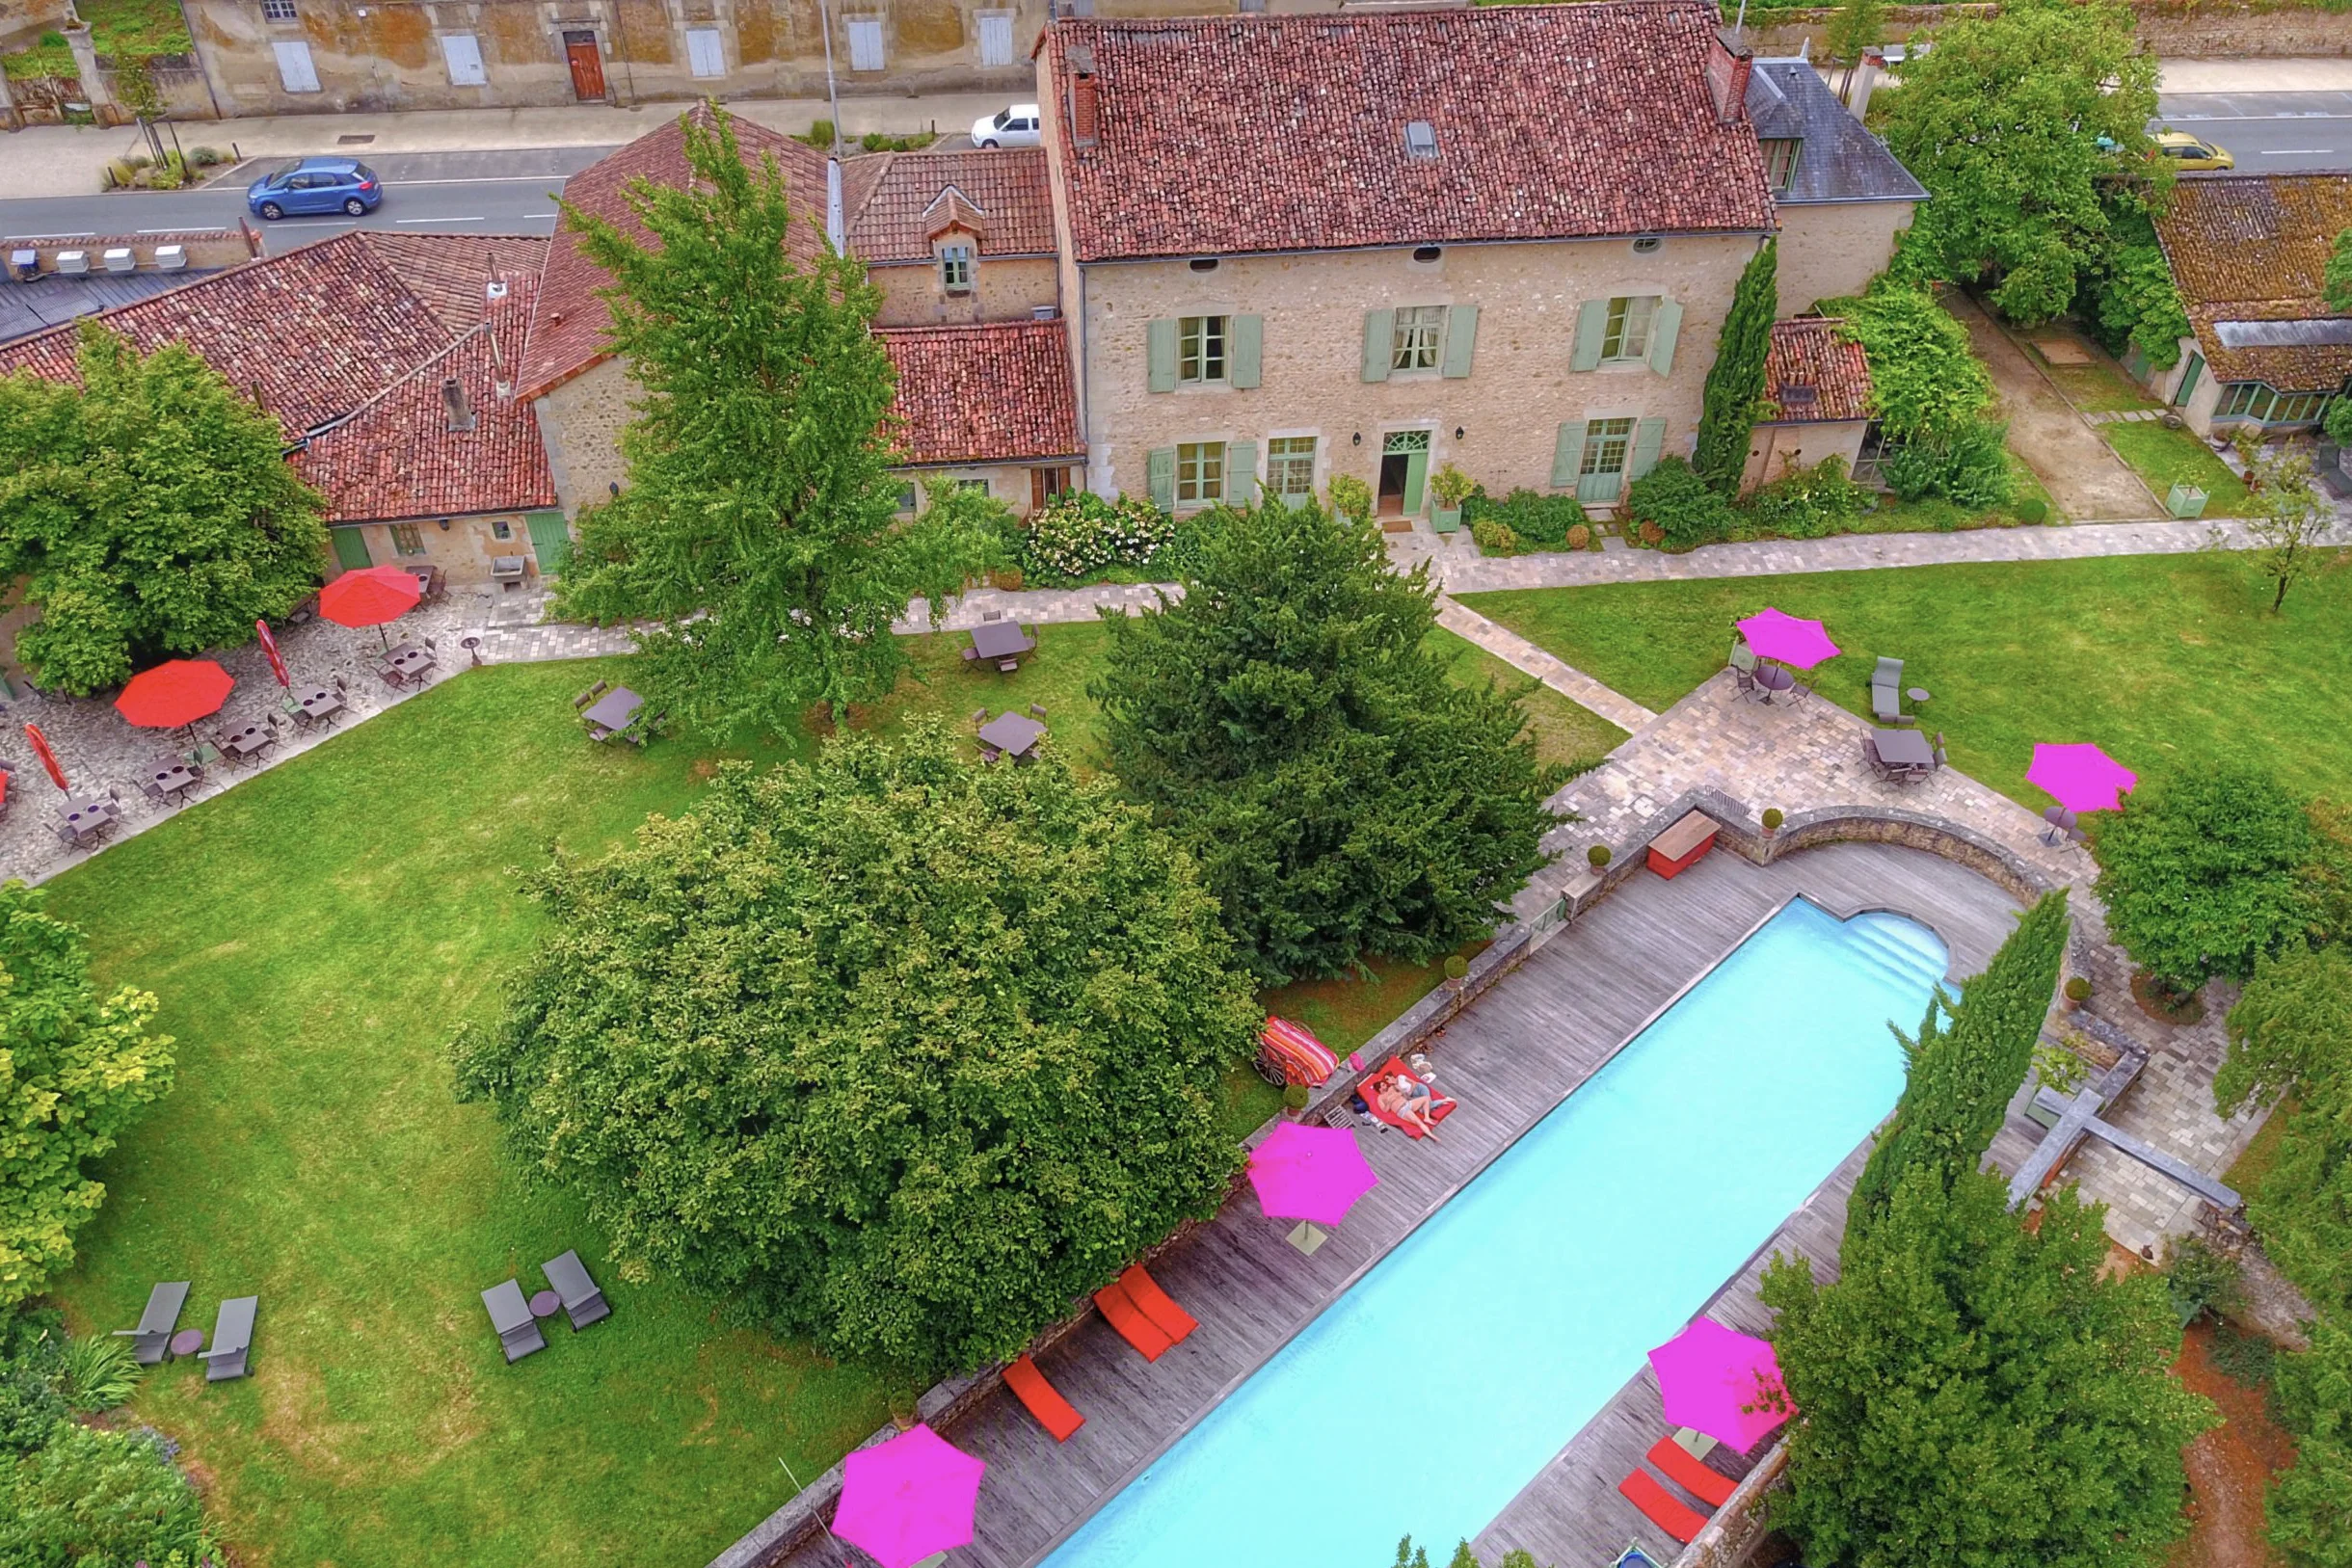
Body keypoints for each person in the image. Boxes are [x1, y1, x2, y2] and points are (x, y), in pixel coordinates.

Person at [1376, 1074, 1443, 1141]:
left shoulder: (1392, 1087)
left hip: (1408, 1103)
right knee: (1418, 1122)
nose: (1386, 1085)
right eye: (1383, 1085)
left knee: (1426, 1098)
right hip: (1402, 1109)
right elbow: (1384, 1110)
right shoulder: (1380, 1098)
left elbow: (1404, 1094)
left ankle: (1427, 1117)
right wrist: (1390, 1102)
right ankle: (1432, 1136)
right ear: (1380, 1089)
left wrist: (1399, 1093)